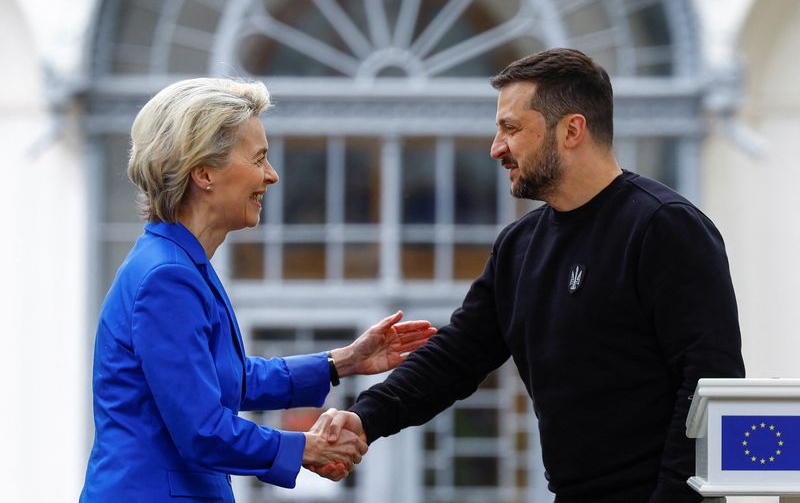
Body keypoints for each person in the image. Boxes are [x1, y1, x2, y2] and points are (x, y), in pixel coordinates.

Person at [313, 48, 745, 502]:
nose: (496, 147)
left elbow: (709, 383)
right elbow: (456, 356)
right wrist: (364, 418)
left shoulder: (663, 227)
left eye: (511, 128)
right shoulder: (519, 246)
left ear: (572, 130)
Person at [79, 78, 436, 502]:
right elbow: (201, 430)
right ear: (204, 172)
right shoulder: (167, 278)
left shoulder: (179, 267)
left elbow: (226, 378)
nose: (272, 175)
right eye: (259, 158)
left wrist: (341, 362)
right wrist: (306, 447)